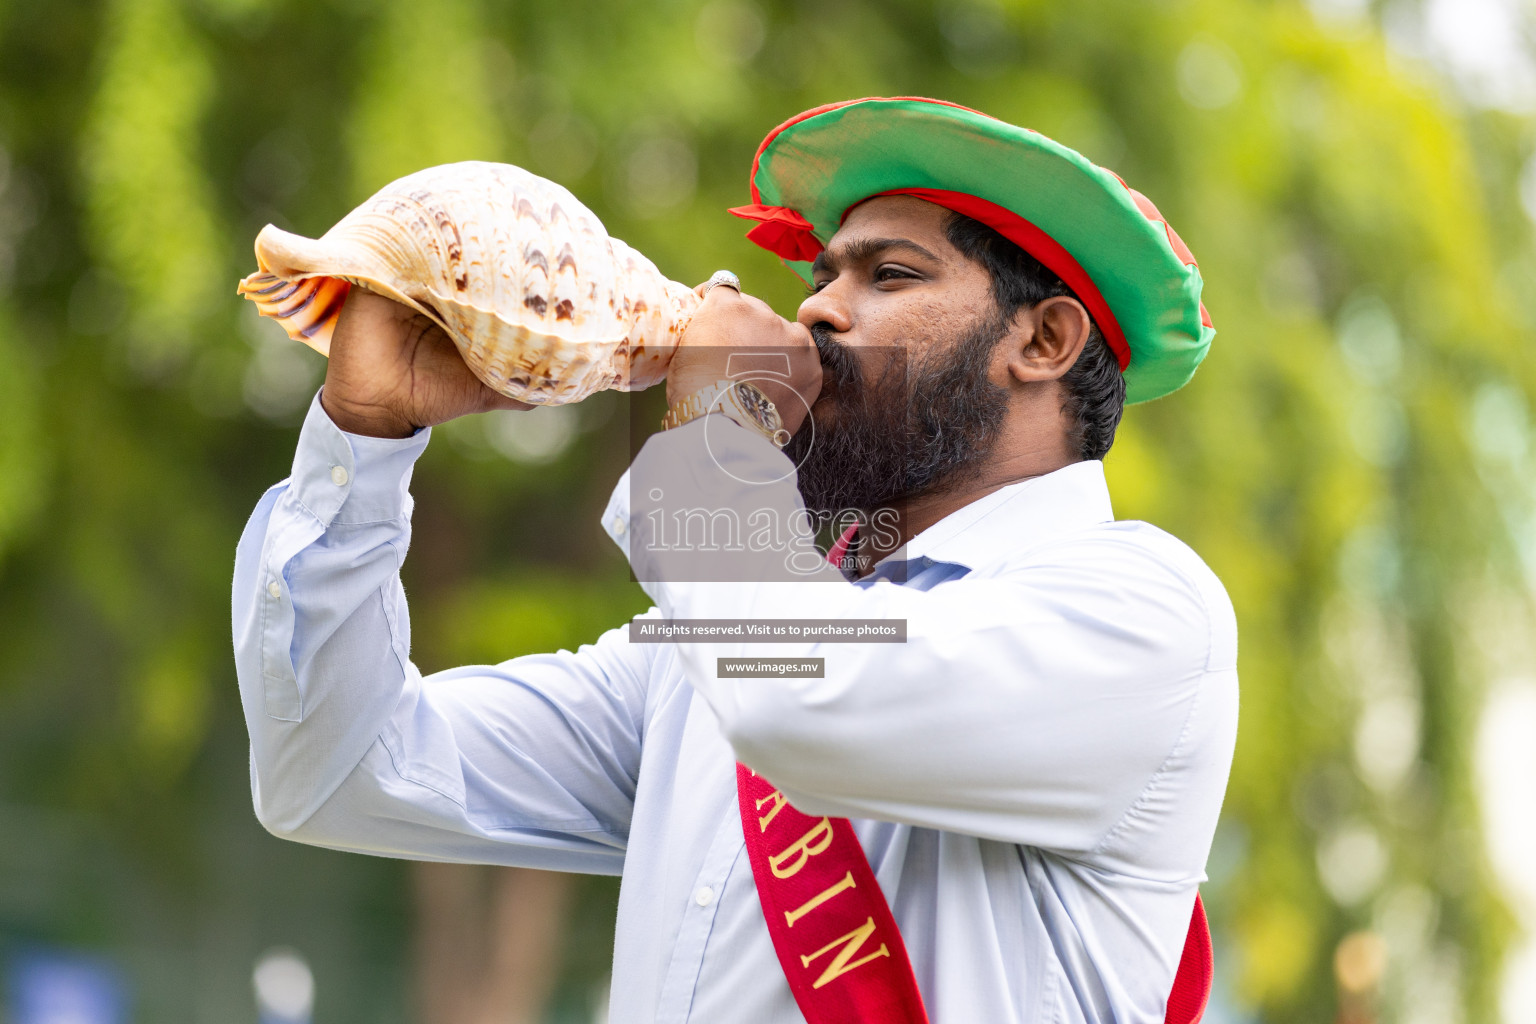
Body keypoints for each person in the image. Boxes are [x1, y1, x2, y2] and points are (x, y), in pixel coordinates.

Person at [233, 96, 1237, 1024]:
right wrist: (364, 438)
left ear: (1046, 339)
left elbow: (796, 699)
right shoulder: (711, 649)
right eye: (820, 276)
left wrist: (717, 431)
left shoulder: (1146, 613)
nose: (815, 314)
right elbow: (337, 774)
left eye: (888, 275)